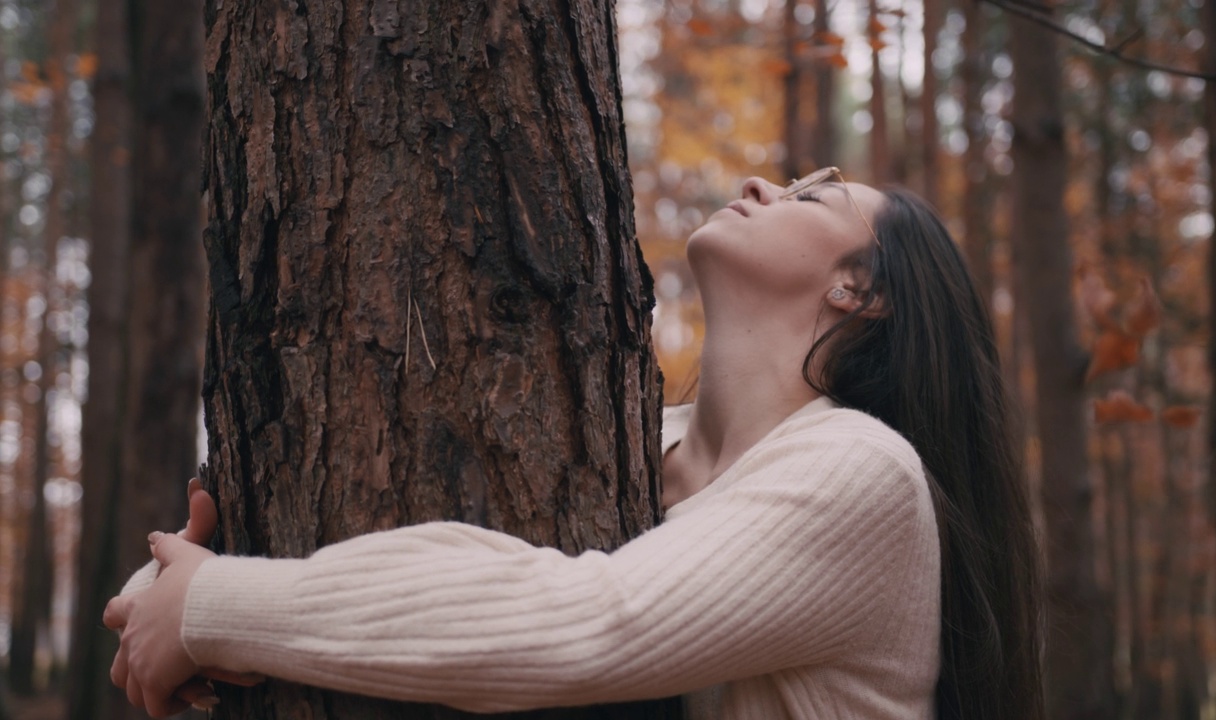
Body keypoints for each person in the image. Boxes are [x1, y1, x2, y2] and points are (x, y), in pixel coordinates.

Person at [105, 169, 1044, 720]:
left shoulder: (860, 471)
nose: (763, 182)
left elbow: (583, 620)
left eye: (812, 195)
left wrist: (220, 605)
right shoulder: (653, 448)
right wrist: (183, 593)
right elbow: (465, 556)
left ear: (860, 290)